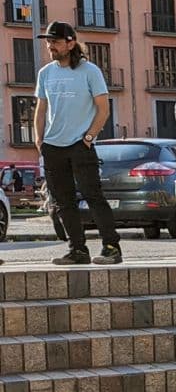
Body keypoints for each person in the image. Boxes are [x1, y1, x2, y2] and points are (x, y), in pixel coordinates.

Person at [32, 21, 121, 266]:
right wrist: (39, 139)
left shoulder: (89, 71)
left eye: (55, 41)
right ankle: (77, 250)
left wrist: (89, 137)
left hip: (80, 145)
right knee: (63, 202)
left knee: (93, 196)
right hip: (52, 146)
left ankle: (111, 248)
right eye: (48, 42)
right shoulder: (45, 73)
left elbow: (103, 109)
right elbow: (41, 109)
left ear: (70, 43)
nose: (50, 46)